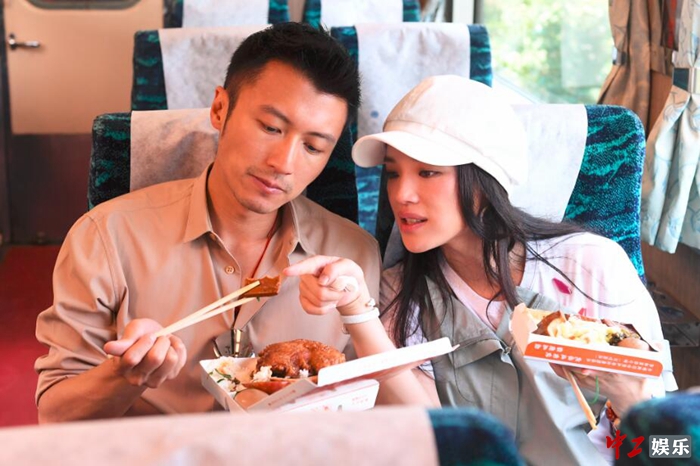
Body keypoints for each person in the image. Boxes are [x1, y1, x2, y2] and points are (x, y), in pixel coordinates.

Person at [285, 75, 676, 465]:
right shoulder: (399, 296)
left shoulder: (590, 265)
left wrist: (630, 397)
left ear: (485, 180)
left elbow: (675, 448)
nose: (401, 194)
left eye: (427, 172)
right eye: (393, 173)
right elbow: (432, 437)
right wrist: (356, 309)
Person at [34, 22, 381, 422]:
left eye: (314, 147)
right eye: (270, 128)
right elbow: (55, 414)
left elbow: (378, 411)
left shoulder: (353, 255)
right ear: (220, 109)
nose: (284, 163)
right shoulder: (107, 235)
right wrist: (124, 376)